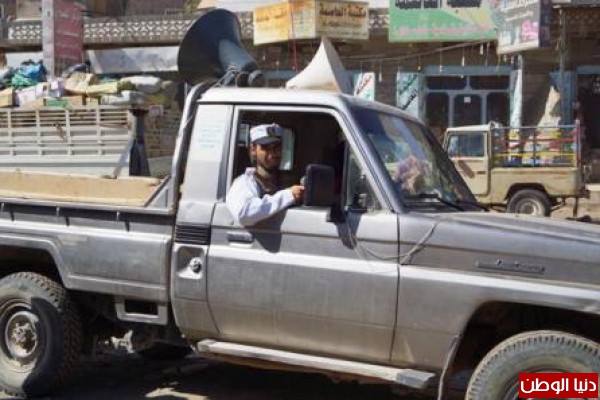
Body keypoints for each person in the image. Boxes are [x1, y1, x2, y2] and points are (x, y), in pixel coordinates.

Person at [226, 123, 304, 226]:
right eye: (266, 147)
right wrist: (289, 195)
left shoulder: (286, 181)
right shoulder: (245, 183)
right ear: (253, 150)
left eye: (277, 147)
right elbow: (244, 214)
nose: (273, 153)